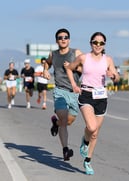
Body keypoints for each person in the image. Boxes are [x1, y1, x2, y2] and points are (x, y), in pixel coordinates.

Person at [64, 32, 120, 175]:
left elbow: (117, 78)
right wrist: (74, 85)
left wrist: (114, 76)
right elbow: (69, 68)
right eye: (95, 42)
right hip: (86, 95)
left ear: (104, 45)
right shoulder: (83, 58)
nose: (98, 45)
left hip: (101, 97)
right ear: (91, 43)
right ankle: (85, 139)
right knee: (91, 126)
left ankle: (87, 161)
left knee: (94, 133)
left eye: (101, 43)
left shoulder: (108, 60)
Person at [42, 28, 82, 161]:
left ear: (69, 40)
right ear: (56, 40)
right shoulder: (53, 54)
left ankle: (56, 123)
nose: (63, 39)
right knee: (64, 120)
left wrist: (73, 66)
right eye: (60, 37)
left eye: (65, 37)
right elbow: (47, 63)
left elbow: (85, 69)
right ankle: (65, 150)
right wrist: (45, 70)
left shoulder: (76, 53)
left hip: (74, 92)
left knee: (69, 121)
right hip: (60, 91)